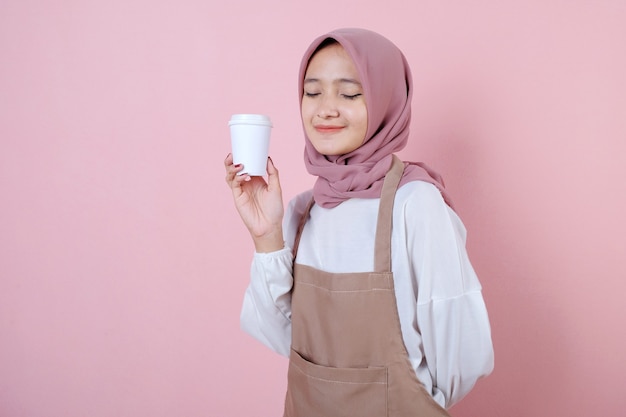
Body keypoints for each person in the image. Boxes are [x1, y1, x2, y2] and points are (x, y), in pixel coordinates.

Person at [224, 28, 493, 416]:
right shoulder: (303, 212)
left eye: (349, 93)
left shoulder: (416, 205)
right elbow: (279, 335)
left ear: (386, 101)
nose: (326, 109)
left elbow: (462, 358)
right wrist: (266, 236)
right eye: (312, 92)